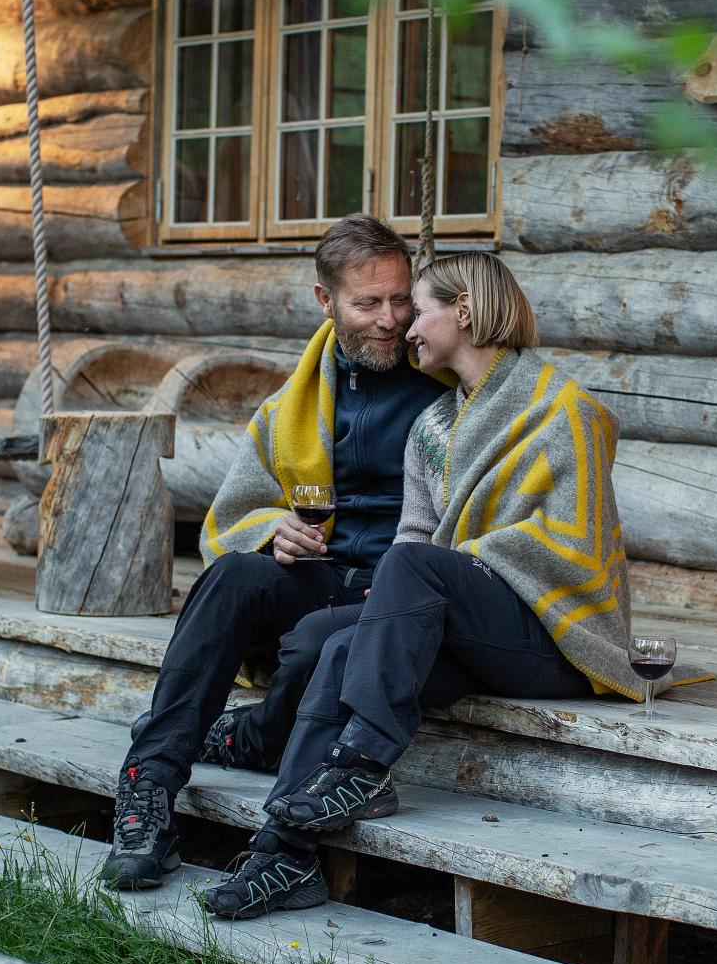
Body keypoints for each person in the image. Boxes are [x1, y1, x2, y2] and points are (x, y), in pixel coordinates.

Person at [199, 252, 686, 920]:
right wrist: (400, 597)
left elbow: (579, 542)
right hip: (471, 631)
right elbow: (415, 535)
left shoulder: (565, 411)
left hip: (554, 640)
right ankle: (282, 856)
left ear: (465, 311)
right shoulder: (430, 428)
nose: (406, 329)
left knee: (407, 573)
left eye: (420, 309)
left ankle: (363, 766)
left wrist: (445, 569)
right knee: (335, 645)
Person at [100, 215, 449, 890]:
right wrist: (271, 529)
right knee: (234, 575)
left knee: (317, 644)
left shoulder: (442, 387)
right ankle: (147, 789)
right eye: (367, 303)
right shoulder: (295, 403)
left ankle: (259, 740)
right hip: (322, 573)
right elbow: (233, 513)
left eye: (401, 299)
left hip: (398, 589)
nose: (389, 318)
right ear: (325, 301)